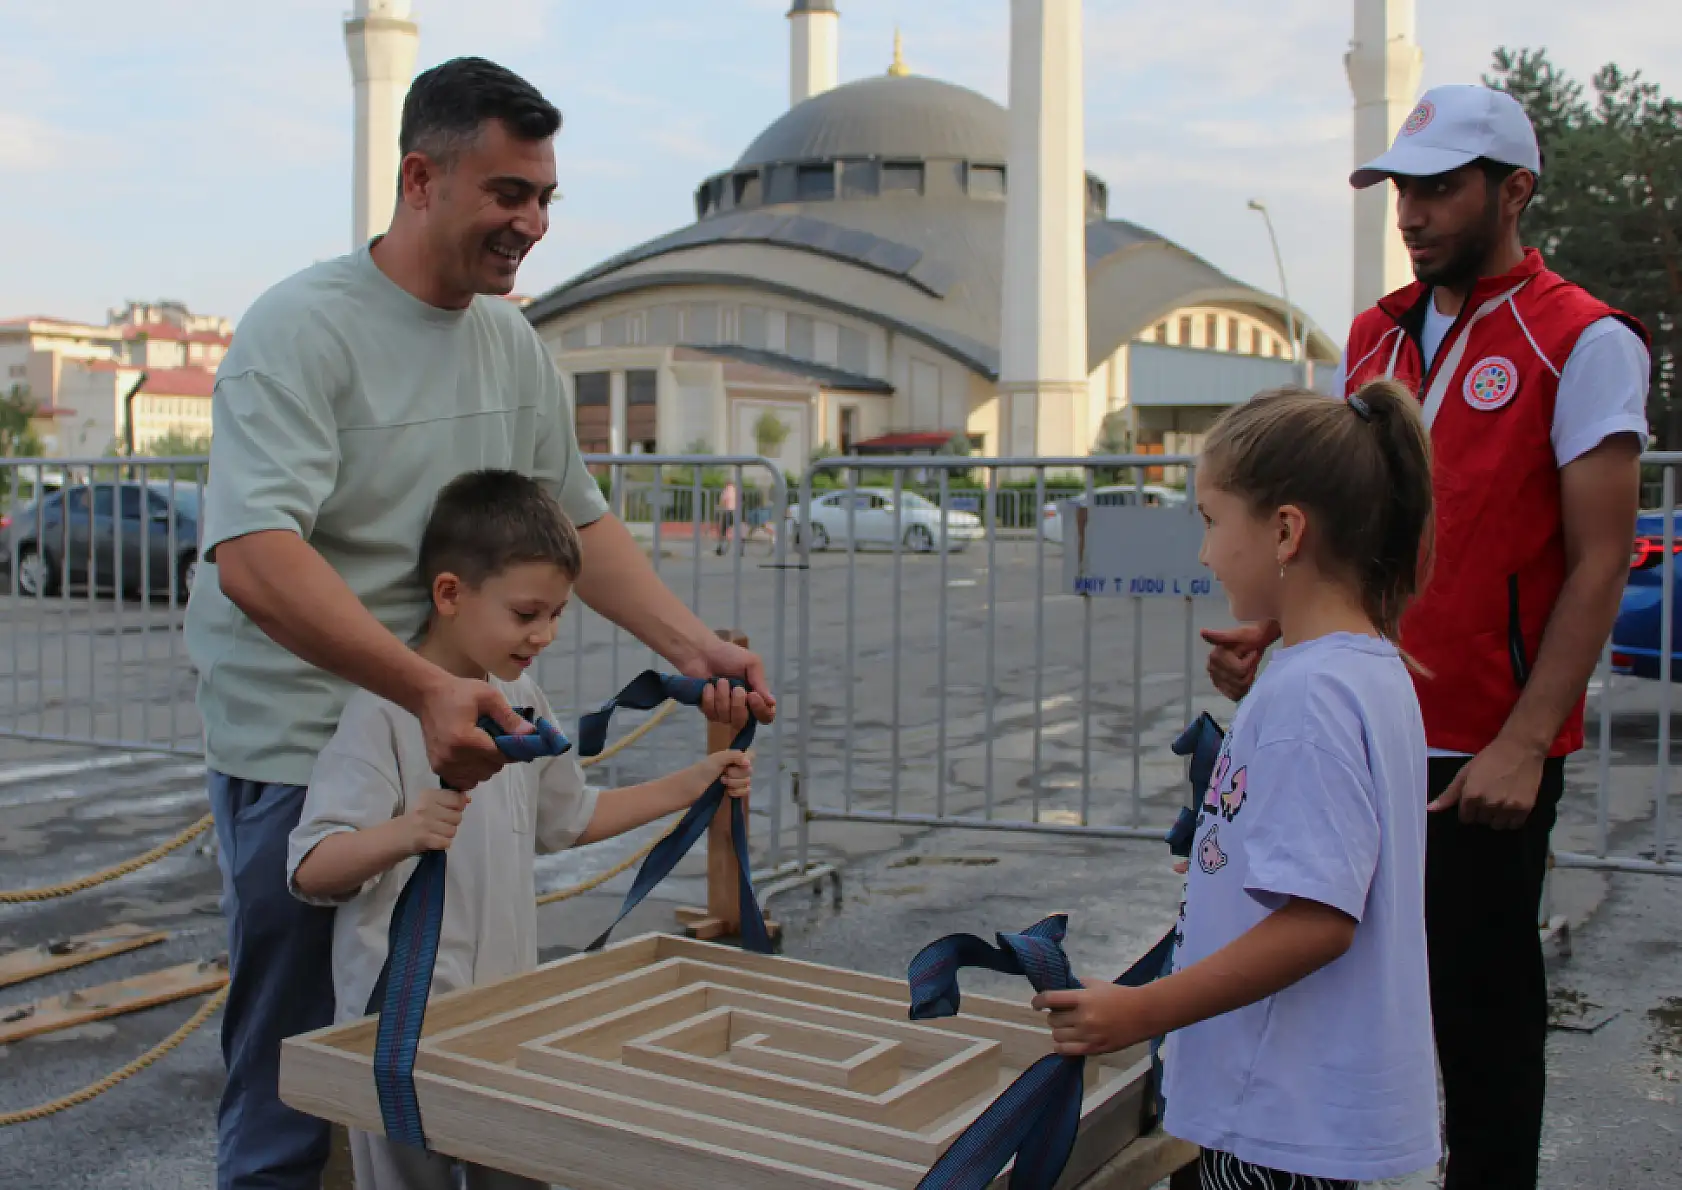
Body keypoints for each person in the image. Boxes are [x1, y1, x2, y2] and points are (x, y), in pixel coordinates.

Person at [185, 56, 774, 1190]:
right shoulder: (299, 329)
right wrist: (421, 688)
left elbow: (580, 525)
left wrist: (691, 647)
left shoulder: (513, 343)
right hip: (305, 756)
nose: (533, 222)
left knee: (459, 1054)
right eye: (509, 192)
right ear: (420, 177)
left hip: (458, 746)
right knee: (295, 1077)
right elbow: (257, 557)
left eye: (545, 197)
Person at [1203, 84, 1649, 1189]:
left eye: (1439, 188)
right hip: (1365, 714)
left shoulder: (1581, 340)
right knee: (1334, 988)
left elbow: (1598, 558)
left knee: (1482, 1019)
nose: (1411, 211)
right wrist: (1274, 632)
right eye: (1402, 187)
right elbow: (1352, 534)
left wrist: (1523, 735)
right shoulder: (1372, 334)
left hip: (1478, 753)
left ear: (1513, 192)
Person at [286, 470, 752, 1190]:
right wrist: (409, 832)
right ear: (450, 594)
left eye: (558, 613)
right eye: (528, 613)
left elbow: (571, 819)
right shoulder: (381, 713)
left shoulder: (521, 696)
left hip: (504, 1023)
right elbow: (313, 868)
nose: (545, 635)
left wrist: (697, 784)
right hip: (404, 1036)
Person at [1036, 380, 1440, 1189]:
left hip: (1283, 1123)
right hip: (1316, 1112)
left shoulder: (1306, 699)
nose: (1203, 551)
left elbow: (1320, 921)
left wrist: (1141, 1011)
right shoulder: (1362, 670)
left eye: (1213, 521)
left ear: (1286, 531)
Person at [716, 478, 738, 554]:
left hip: (726, 511)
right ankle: (736, 548)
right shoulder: (734, 490)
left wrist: (719, 508)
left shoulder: (727, 490)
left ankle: (720, 548)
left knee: (722, 531)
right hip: (733, 511)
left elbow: (724, 500)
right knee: (730, 530)